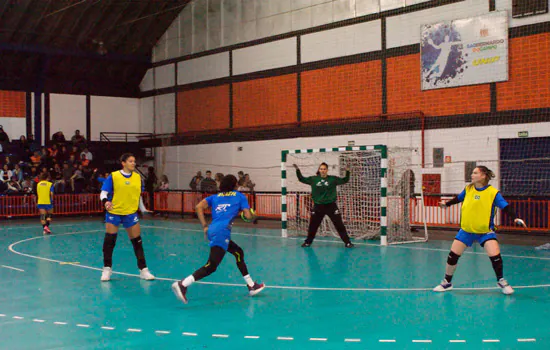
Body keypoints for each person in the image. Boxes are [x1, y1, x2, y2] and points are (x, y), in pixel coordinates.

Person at [172, 175, 265, 304]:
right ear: (234, 185)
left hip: (212, 229)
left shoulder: (215, 197)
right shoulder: (239, 196)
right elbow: (248, 216)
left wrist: (205, 226)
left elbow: (198, 207)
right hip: (222, 232)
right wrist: (253, 215)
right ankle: (183, 284)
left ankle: (251, 285)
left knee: (238, 252)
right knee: (211, 266)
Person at [433, 166, 527, 295]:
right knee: (452, 256)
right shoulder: (468, 189)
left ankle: (501, 281)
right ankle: (447, 282)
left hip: (485, 232)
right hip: (466, 231)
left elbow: (505, 207)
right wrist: (446, 204)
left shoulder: (492, 193)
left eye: (475, 173)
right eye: (472, 172)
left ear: (483, 176)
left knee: (495, 256)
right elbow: (459, 198)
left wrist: (515, 217)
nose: (472, 175)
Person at [99, 153, 155, 282]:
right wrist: (106, 202)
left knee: (137, 242)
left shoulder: (137, 177)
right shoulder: (114, 176)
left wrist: (143, 209)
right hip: (115, 212)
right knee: (110, 242)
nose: (133, 163)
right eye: (130, 161)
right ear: (123, 163)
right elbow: (103, 193)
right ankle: (107, 269)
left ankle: (143, 270)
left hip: (130, 213)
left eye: (134, 161)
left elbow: (138, 195)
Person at [294, 162, 354, 248]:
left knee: (339, 225)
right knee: (313, 226)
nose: (323, 170)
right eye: (321, 169)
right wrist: (297, 170)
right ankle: (308, 242)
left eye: (324, 169)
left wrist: (347, 171)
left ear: (327, 170)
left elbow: (345, 180)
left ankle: (347, 242)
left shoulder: (333, 179)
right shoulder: (313, 179)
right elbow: (301, 179)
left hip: (331, 206)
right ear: (319, 170)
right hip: (318, 206)